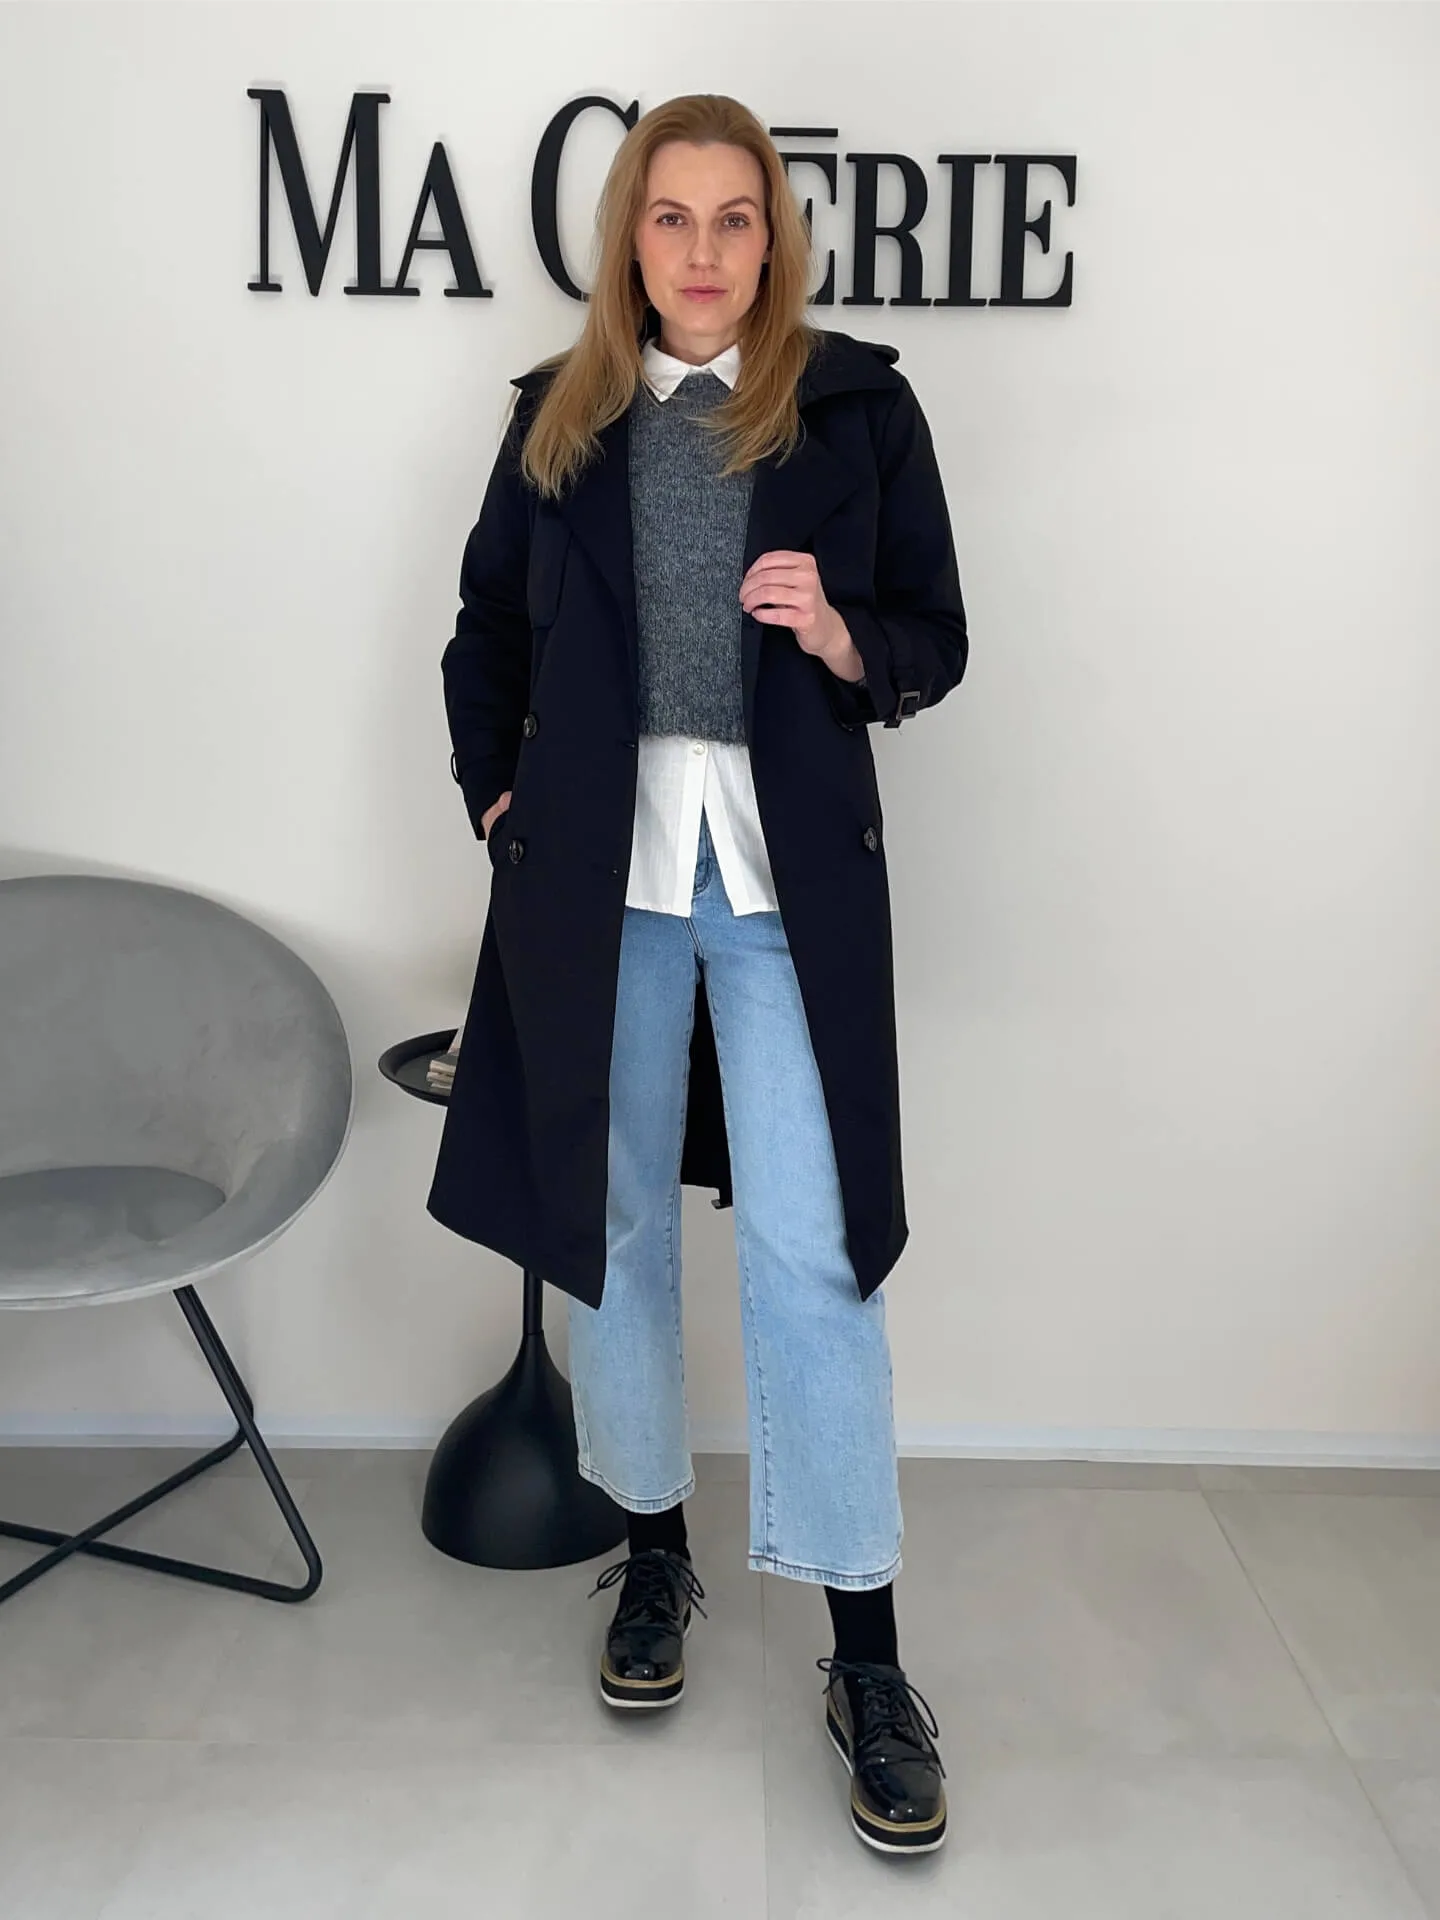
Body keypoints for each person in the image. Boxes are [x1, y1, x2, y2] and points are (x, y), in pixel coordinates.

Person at [428, 92, 968, 1855]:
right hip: (602, 883)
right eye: (673, 217)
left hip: (786, 879)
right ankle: (654, 1556)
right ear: (629, 240)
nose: (706, 250)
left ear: (775, 239)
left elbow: (937, 637)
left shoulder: (857, 410)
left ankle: (867, 1658)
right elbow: (485, 631)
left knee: (817, 1248)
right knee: (618, 1234)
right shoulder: (559, 417)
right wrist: (495, 791)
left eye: (738, 218)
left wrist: (842, 635)